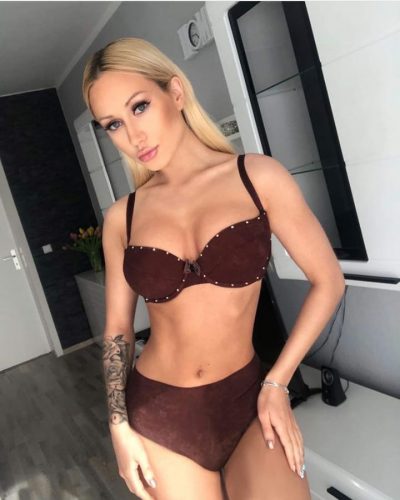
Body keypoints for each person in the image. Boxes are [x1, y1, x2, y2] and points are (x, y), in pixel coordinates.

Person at [82, 37, 345, 500]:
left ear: (175, 92)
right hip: (159, 412)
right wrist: (118, 426)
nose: (133, 136)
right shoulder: (122, 218)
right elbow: (119, 330)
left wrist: (278, 382)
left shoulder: (257, 177)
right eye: (114, 125)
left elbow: (329, 281)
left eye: (140, 107)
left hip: (247, 399)